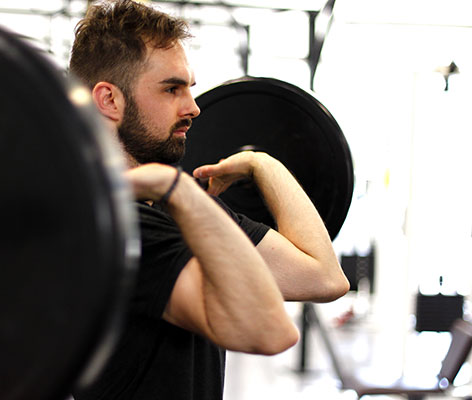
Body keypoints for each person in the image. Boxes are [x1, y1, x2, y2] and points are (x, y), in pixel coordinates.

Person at [69, 1, 350, 399]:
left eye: (190, 88)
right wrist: (179, 189)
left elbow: (324, 277)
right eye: (171, 89)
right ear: (109, 100)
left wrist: (261, 163)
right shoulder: (115, 227)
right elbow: (269, 331)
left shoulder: (176, 208)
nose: (194, 108)